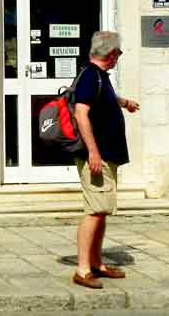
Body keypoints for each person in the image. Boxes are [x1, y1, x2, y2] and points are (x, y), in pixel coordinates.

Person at [72, 31, 139, 289]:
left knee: (101, 212)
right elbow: (81, 114)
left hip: (107, 155)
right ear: (111, 55)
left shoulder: (99, 77)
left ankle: (97, 263)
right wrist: (94, 152)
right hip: (97, 157)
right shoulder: (90, 76)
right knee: (94, 211)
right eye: (119, 53)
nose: (119, 58)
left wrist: (124, 103)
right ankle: (83, 269)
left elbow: (105, 100)